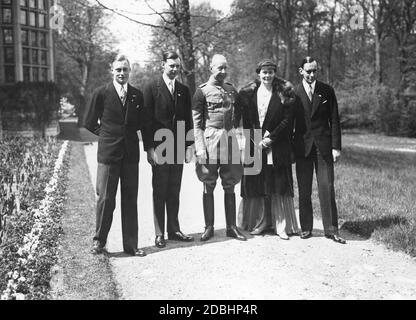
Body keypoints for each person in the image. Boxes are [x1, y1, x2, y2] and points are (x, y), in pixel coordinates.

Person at [84, 54, 146, 256]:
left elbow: (140, 124)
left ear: (130, 71)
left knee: (130, 200)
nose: (122, 73)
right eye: (118, 70)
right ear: (112, 71)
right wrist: (107, 136)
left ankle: (131, 245)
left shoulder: (137, 95)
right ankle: (99, 242)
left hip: (130, 155)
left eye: (125, 70)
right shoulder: (101, 93)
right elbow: (89, 121)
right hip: (109, 155)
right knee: (105, 199)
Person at [238, 59, 299, 240]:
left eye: (271, 72)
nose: (267, 75)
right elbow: (246, 121)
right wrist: (255, 140)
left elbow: (287, 120)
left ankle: (280, 225)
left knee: (277, 184)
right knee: (259, 183)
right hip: (255, 144)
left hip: (277, 144)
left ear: (275, 73)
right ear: (258, 73)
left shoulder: (283, 92)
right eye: (264, 72)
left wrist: (270, 138)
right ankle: (261, 221)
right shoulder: (250, 94)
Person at [142, 51, 194, 249]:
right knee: (160, 190)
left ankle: (174, 229)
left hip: (178, 146)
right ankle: (159, 233)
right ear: (162, 65)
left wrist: (189, 146)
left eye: (177, 66)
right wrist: (149, 149)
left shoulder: (183, 89)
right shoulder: (151, 88)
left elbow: (187, 120)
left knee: (174, 189)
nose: (174, 69)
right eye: (171, 65)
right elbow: (146, 121)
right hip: (160, 146)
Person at [192, 54, 246, 242]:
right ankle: (209, 227)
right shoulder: (202, 92)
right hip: (209, 141)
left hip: (229, 140)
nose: (223, 72)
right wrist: (200, 149)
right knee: (209, 182)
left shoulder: (231, 89)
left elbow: (238, 114)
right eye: (219, 68)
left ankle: (231, 227)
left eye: (225, 68)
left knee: (230, 182)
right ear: (211, 68)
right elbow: (197, 124)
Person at [293, 56, 346, 244]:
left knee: (327, 187)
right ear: (301, 71)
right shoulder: (294, 92)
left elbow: (335, 120)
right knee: (304, 189)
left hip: (324, 149)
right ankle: (306, 228)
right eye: (308, 71)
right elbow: (288, 123)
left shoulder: (327, 91)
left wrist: (336, 147)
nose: (312, 74)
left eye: (315, 70)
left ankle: (331, 229)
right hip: (302, 148)